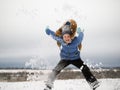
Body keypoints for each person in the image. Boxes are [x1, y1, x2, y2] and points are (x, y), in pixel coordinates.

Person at [44, 20, 99, 90]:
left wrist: (80, 32)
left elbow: (81, 37)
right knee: (56, 69)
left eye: (68, 36)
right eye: (65, 37)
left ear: (71, 36)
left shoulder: (76, 41)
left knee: (84, 68)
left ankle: (93, 82)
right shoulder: (61, 40)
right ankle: (49, 84)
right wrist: (47, 31)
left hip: (76, 59)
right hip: (64, 59)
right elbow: (54, 35)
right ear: (62, 37)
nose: (67, 38)